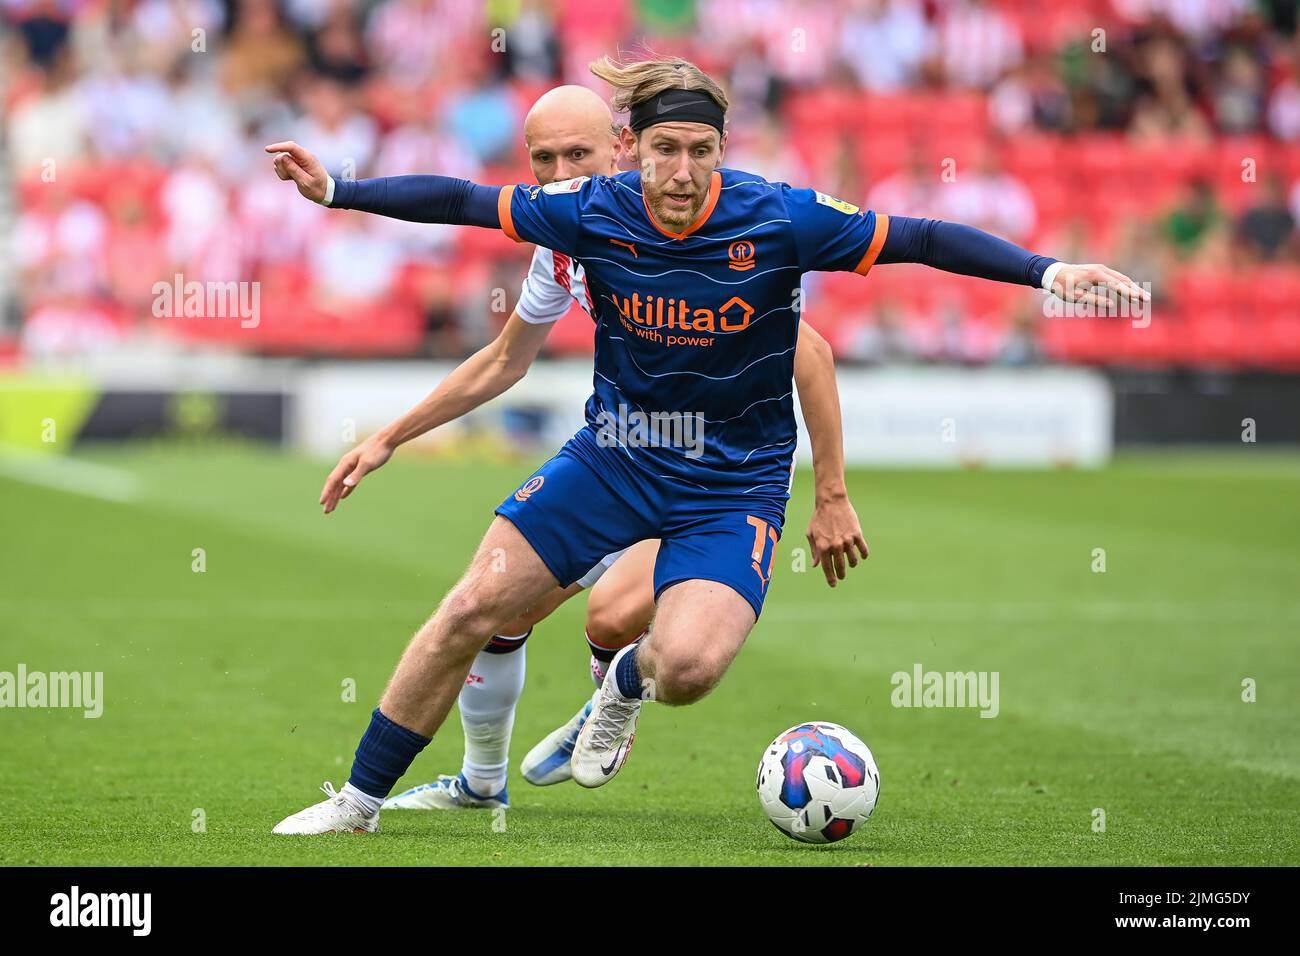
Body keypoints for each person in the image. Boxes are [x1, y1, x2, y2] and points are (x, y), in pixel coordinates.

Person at [267, 54, 1145, 834]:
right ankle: (357, 803)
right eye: (665, 151)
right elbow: (460, 202)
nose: (682, 171)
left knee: (685, 670)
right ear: (635, 150)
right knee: (470, 608)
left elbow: (917, 237)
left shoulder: (782, 220)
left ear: (720, 152)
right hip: (614, 458)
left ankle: (619, 691)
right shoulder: (586, 214)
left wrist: (1050, 272)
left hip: (735, 484)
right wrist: (338, 191)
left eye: (700, 151)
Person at [377, 86, 865, 812]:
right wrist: (388, 437)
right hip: (629, 458)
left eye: (579, 155)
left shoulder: (700, 226)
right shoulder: (565, 244)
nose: (561, 172)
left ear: (620, 150)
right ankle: (483, 783)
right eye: (545, 159)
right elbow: (505, 360)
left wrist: (832, 492)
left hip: (723, 476)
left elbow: (813, 356)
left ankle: (614, 699)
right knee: (507, 609)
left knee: (629, 631)